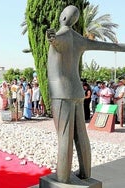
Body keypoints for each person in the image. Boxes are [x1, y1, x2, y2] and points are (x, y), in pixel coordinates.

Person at [46, 5, 125, 183]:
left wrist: (52, 37)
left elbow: (55, 39)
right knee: (81, 134)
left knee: (65, 136)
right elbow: (108, 45)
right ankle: (85, 173)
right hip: (77, 92)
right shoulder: (79, 39)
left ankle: (63, 177)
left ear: (63, 18)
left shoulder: (60, 36)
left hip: (61, 94)